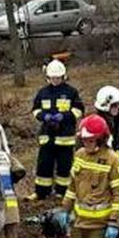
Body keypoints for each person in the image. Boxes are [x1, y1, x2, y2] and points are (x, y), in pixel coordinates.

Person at [31, 59, 84, 199]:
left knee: (64, 168)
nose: (55, 80)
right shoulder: (42, 93)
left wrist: (65, 116)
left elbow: (78, 110)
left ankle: (62, 192)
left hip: (65, 138)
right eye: (53, 78)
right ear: (48, 77)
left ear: (63, 76)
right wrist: (44, 116)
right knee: (43, 166)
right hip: (47, 137)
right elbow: (35, 110)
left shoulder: (71, 92)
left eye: (58, 78)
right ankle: (41, 193)